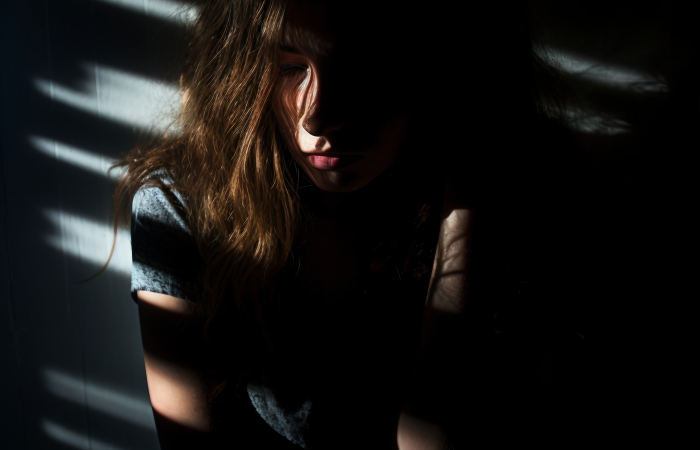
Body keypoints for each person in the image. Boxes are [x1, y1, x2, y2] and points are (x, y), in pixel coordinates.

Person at [107, 0, 585, 448]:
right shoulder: (185, 209)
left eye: (365, 65)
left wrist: (465, 209)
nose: (318, 118)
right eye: (289, 67)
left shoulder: (526, 199)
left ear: (443, 68)